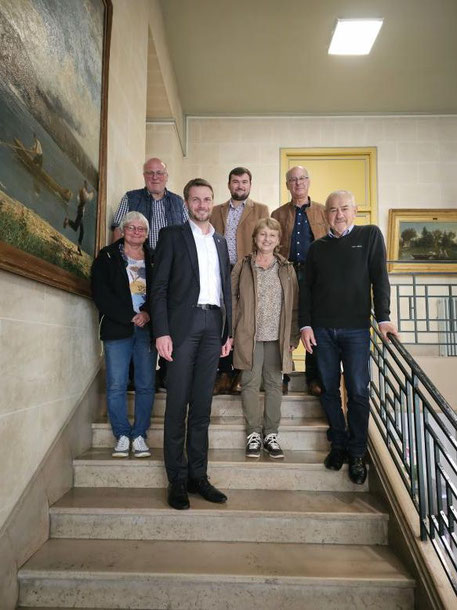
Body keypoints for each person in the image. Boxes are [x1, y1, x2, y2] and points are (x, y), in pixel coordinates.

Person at [300, 190, 399, 485]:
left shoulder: (370, 236)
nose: (338, 214)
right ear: (325, 214)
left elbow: (380, 278)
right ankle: (339, 444)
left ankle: (357, 452)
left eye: (344, 208)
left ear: (355, 211)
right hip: (322, 331)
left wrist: (383, 318)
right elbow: (307, 291)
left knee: (357, 391)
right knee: (329, 389)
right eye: (332, 210)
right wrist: (305, 325)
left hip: (356, 330)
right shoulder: (317, 248)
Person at [151, 178, 232, 510]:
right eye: (196, 199)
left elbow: (226, 289)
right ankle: (177, 480)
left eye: (207, 199)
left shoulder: (222, 242)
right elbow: (158, 289)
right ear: (186, 203)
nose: (201, 204)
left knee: (202, 407)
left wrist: (227, 332)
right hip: (182, 327)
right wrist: (162, 332)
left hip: (213, 325)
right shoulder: (172, 236)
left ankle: (199, 476)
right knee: (177, 406)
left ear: (213, 202)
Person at [112, 157, 187, 390]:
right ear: (144, 175)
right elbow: (117, 229)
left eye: (159, 173)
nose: (155, 177)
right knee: (139, 315)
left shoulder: (178, 202)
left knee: (167, 315)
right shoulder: (130, 197)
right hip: (138, 264)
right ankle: (137, 375)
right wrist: (119, 261)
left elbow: (186, 236)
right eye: (150, 173)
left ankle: (165, 372)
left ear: (166, 176)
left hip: (169, 267)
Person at [232, 218, 299, 459]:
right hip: (249, 335)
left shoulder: (286, 268)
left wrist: (292, 335)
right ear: (255, 238)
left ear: (278, 240)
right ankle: (253, 434)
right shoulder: (243, 265)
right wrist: (231, 333)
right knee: (249, 383)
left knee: (273, 384)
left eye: (272, 235)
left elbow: (294, 306)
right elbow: (232, 300)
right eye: (263, 235)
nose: (267, 239)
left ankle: (270, 434)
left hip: (276, 336)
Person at [91, 211, 156, 459]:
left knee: (146, 385)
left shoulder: (154, 258)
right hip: (117, 329)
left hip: (146, 330)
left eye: (141, 229)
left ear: (147, 234)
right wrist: (129, 315)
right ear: (123, 230)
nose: (136, 232)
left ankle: (139, 435)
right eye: (131, 228)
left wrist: (147, 313)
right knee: (116, 384)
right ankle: (121, 435)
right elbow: (100, 293)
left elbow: (161, 291)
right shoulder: (107, 256)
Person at [210, 167, 270, 394]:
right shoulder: (217, 211)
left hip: (248, 268)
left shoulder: (261, 209)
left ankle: (243, 372)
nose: (240, 186)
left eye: (244, 182)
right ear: (229, 185)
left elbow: (266, 239)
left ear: (250, 185)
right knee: (224, 318)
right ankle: (223, 372)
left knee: (245, 319)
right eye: (236, 182)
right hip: (220, 270)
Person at [272, 166, 327, 396]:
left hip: (316, 274)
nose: (298, 183)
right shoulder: (277, 214)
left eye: (302, 178)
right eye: (292, 180)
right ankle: (283, 374)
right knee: (284, 321)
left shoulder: (324, 211)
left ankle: (314, 377)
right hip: (287, 272)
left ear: (309, 181)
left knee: (312, 322)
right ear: (287, 185)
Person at [63, 180, 94, 255]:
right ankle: (68, 221)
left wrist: (85, 185)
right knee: (76, 228)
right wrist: (86, 187)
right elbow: (87, 196)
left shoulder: (82, 198)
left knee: (82, 231)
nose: (85, 192)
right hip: (80, 214)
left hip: (81, 214)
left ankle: (79, 247)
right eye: (84, 192)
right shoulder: (83, 199)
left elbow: (86, 194)